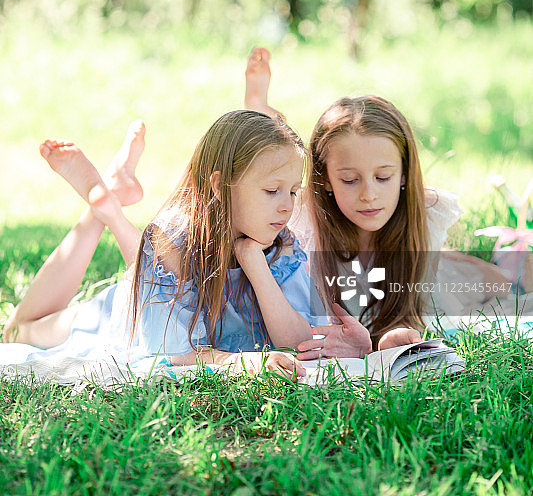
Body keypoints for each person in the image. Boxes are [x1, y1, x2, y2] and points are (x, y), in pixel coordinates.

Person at [2, 111, 324, 379]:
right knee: (17, 332)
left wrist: (255, 265)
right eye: (272, 191)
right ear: (219, 186)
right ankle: (103, 205)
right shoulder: (172, 240)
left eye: (293, 192)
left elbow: (302, 344)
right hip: (121, 318)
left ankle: (109, 199)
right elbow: (169, 353)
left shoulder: (280, 248)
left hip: (153, 283)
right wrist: (237, 362)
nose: (287, 206)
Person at [244, 47, 511, 358]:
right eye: (349, 180)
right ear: (326, 179)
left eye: (383, 177)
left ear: (403, 174)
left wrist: (398, 334)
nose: (368, 194)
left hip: (418, 267)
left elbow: (409, 308)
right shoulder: (305, 214)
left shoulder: (422, 211)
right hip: (356, 271)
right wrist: (258, 106)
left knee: (497, 280)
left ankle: (508, 258)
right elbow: (270, 162)